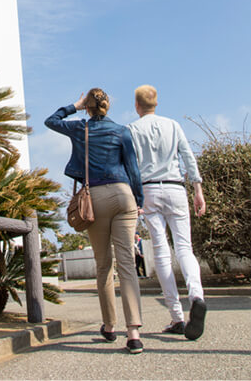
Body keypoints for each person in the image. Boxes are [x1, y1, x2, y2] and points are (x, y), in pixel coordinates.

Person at [45, 88, 145, 354]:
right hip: (124, 196)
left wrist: (73, 106)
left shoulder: (80, 129)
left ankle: (110, 326)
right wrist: (139, 201)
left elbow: (51, 121)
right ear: (108, 107)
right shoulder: (123, 131)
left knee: (104, 266)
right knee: (127, 265)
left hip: (96, 198)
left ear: (88, 107)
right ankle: (133, 333)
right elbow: (133, 169)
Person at [128, 85, 207, 340]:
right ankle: (196, 296)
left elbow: (131, 166)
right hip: (175, 188)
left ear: (137, 105)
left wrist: (134, 196)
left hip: (149, 190)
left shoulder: (132, 129)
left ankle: (177, 317)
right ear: (157, 103)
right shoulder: (173, 125)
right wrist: (197, 189)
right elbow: (188, 156)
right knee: (184, 248)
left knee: (161, 252)